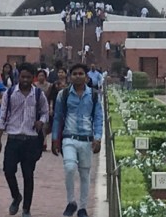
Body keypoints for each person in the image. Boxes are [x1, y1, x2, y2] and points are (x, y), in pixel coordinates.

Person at [0, 63, 49, 217]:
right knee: (8, 170)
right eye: (22, 77)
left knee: (28, 175)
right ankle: (16, 196)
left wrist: (41, 121)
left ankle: (26, 208)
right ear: (18, 76)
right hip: (13, 138)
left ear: (33, 78)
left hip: (31, 139)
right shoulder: (10, 93)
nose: (25, 80)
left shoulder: (38, 94)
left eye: (28, 77)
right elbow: (2, 116)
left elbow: (45, 112)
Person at [51, 63, 104, 217]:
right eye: (74, 74)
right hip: (69, 137)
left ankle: (82, 207)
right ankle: (71, 202)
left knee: (84, 175)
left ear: (86, 77)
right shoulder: (63, 95)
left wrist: (98, 138)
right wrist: (54, 139)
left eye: (81, 74)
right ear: (70, 77)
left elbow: (98, 118)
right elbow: (57, 117)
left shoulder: (94, 96)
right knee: (69, 168)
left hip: (86, 139)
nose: (78, 76)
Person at [34, 69, 52, 151]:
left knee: (45, 126)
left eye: (42, 75)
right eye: (39, 76)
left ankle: (44, 143)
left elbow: (51, 97)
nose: (41, 77)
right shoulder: (34, 85)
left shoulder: (50, 86)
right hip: (36, 108)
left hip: (46, 107)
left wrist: (51, 107)